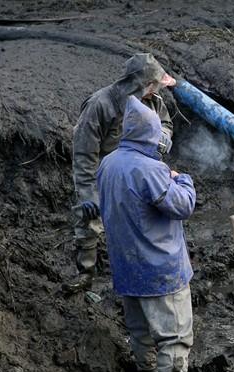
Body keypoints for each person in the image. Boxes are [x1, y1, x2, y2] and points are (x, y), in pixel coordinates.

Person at [96, 95, 204, 372]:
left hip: (127, 268)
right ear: (150, 135)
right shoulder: (152, 169)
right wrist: (183, 178)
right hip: (161, 270)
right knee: (174, 336)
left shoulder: (108, 163)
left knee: (141, 334)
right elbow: (182, 206)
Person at [63, 53, 176, 293]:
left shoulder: (153, 101)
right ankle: (85, 273)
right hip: (106, 173)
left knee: (140, 220)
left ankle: (137, 266)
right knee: (89, 218)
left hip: (140, 171)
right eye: (155, 85)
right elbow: (84, 154)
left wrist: (164, 136)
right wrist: (87, 193)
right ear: (144, 84)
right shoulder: (100, 105)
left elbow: (166, 122)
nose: (157, 90)